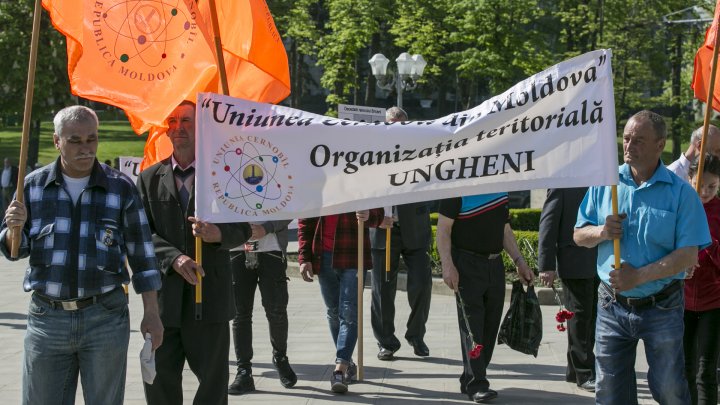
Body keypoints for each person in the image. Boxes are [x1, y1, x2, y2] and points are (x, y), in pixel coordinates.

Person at [0, 105, 163, 405]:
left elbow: (143, 257)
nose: (86, 148)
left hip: (105, 317)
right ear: (56, 141)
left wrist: (152, 314)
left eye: (92, 139)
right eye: (75, 140)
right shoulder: (32, 187)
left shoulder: (121, 188)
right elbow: (15, 250)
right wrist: (14, 228)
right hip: (47, 319)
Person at [574, 110, 710, 404]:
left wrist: (639, 276)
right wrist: (600, 231)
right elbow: (578, 235)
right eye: (626, 138)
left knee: (670, 390)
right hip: (611, 304)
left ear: (660, 145)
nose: (629, 145)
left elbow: (688, 255)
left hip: (662, 305)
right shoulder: (605, 184)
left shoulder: (681, 194)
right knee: (609, 393)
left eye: (639, 140)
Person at [137, 101, 252, 405]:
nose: (178, 127)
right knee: (159, 383)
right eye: (172, 121)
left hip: (210, 299)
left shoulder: (224, 174)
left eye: (186, 120)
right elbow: (140, 234)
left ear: (201, 126)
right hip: (165, 303)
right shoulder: (149, 179)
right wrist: (173, 257)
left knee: (213, 388)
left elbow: (246, 226)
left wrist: (220, 234)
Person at [436, 192, 534, 403]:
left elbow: (505, 230)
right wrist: (447, 264)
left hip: (495, 265)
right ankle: (477, 384)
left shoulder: (499, 190)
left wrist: (519, 261)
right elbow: (443, 229)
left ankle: (469, 377)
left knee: (490, 327)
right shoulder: (456, 190)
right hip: (466, 264)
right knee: (472, 326)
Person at [371, 107, 433, 361]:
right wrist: (375, 216)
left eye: (401, 125)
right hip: (383, 230)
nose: (396, 129)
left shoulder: (419, 153)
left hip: (414, 230)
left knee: (422, 283)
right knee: (382, 290)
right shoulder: (371, 155)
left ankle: (416, 335)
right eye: (391, 124)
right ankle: (386, 342)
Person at [298, 209, 383, 393]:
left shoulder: (360, 181)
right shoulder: (317, 183)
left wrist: (370, 215)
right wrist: (304, 257)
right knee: (333, 312)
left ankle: (340, 368)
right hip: (323, 255)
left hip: (353, 254)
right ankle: (347, 361)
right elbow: (305, 220)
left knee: (349, 311)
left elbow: (379, 214)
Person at [538, 187, 598, 392]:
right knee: (580, 318)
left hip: (599, 262)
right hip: (574, 261)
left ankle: (574, 370)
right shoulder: (562, 186)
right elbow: (548, 223)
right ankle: (584, 372)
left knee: (592, 318)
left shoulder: (601, 181)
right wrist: (546, 265)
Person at [228, 219, 297, 395]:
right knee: (240, 314)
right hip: (236, 249)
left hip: (271, 248)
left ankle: (280, 358)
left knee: (277, 311)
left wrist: (266, 228)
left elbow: (291, 205)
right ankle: (244, 371)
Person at [684, 154, 720, 405]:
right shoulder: (680, 206)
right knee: (684, 367)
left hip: (714, 301)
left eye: (713, 187)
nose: (705, 192)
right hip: (681, 300)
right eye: (700, 185)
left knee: (706, 370)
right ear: (689, 179)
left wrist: (706, 250)